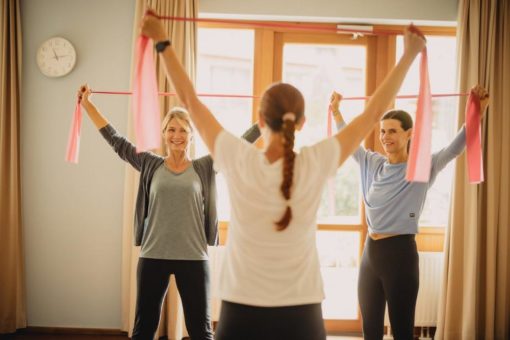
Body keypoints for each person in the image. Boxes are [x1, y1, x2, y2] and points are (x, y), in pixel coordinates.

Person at [141, 10, 426, 340]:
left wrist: (162, 42)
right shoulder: (316, 161)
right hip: (301, 312)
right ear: (302, 123)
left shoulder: (237, 157)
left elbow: (189, 100)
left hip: (240, 307)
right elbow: (374, 112)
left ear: (260, 121)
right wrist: (408, 54)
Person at [77, 85, 260, 340]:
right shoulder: (150, 163)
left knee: (201, 331)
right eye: (171, 129)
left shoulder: (205, 166)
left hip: (194, 257)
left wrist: (262, 123)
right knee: (144, 330)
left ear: (191, 135)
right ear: (163, 133)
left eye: (183, 131)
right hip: (154, 255)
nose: (177, 135)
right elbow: (117, 142)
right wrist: (88, 105)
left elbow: (236, 147)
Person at [330, 85, 489, 340]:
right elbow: (348, 143)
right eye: (382, 131)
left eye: (392, 131)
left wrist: (476, 113)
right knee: (370, 331)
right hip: (371, 253)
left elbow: (453, 149)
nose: (385, 137)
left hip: (400, 255)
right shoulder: (372, 163)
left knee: (402, 331)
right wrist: (337, 113)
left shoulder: (423, 167)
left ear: (409, 134)